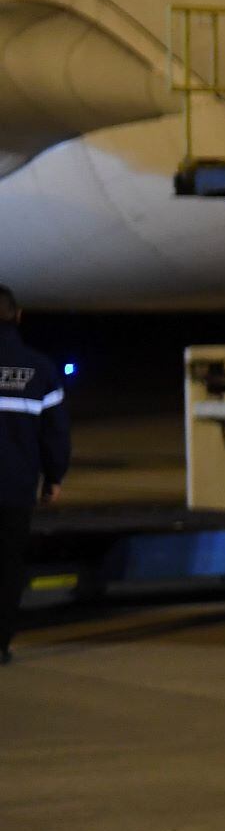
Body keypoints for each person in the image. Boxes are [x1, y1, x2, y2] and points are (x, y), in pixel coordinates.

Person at [0, 285, 71, 667]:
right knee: (8, 567)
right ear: (19, 315)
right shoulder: (40, 369)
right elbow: (55, 432)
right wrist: (54, 477)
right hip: (15, 488)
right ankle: (0, 644)